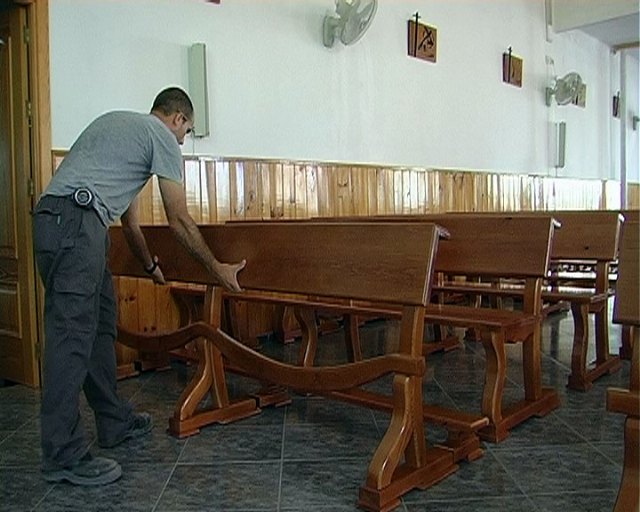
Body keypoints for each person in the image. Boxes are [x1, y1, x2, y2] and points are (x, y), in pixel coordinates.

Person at [32, 87, 245, 486]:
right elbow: (178, 218)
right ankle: (62, 454)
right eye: (187, 131)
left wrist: (150, 266)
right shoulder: (161, 136)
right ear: (178, 118)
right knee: (72, 337)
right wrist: (218, 269)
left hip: (63, 222)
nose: (182, 141)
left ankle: (113, 421)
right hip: (76, 224)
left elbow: (129, 223)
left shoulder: (122, 128)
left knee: (100, 326)